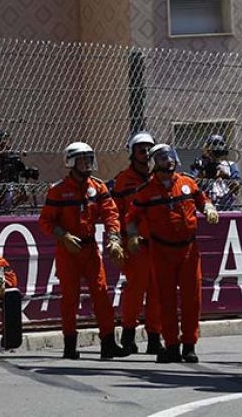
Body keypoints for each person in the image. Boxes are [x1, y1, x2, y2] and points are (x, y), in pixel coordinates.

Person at [126, 143, 218, 364]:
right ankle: (171, 345)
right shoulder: (146, 192)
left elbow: (201, 199)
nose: (168, 161)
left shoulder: (187, 183)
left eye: (170, 156)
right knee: (165, 300)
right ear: (153, 164)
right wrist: (131, 236)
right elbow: (132, 218)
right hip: (162, 250)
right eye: (161, 158)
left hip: (188, 250)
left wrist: (209, 208)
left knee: (191, 298)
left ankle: (189, 345)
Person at [38, 141, 126, 360]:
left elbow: (110, 214)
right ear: (71, 162)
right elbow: (46, 221)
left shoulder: (98, 187)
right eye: (82, 159)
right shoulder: (57, 190)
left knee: (101, 294)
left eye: (89, 159)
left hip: (90, 249)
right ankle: (70, 345)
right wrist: (64, 236)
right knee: (69, 298)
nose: (87, 163)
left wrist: (114, 239)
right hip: (68, 250)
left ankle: (108, 343)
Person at [108, 131, 163, 356]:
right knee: (135, 291)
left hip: (157, 245)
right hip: (135, 245)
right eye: (141, 149)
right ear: (132, 152)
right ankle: (128, 335)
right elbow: (115, 212)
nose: (146, 153)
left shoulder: (157, 178)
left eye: (149, 149)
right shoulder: (123, 181)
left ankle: (154, 338)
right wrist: (118, 240)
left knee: (157, 293)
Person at [190, 134, 242, 211]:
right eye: (213, 145)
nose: (216, 148)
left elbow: (237, 186)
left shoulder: (230, 165)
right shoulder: (201, 164)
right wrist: (204, 174)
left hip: (225, 204)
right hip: (206, 204)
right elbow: (192, 184)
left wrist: (225, 176)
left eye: (220, 145)